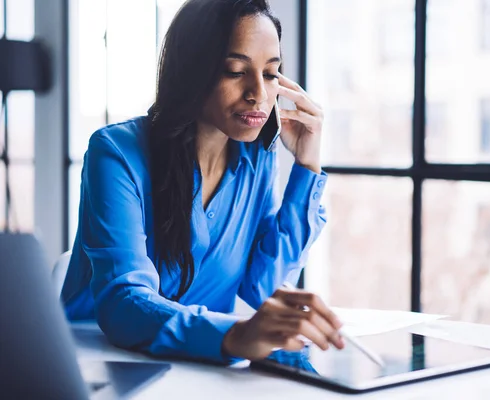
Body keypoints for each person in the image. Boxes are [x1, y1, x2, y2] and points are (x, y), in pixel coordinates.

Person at [60, 0, 344, 363]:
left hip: (200, 366)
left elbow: (263, 286)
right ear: (192, 72)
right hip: (99, 364)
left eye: (271, 74)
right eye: (235, 70)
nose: (258, 92)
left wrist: (307, 166)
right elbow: (123, 302)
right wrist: (236, 335)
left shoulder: (256, 159)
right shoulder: (116, 153)